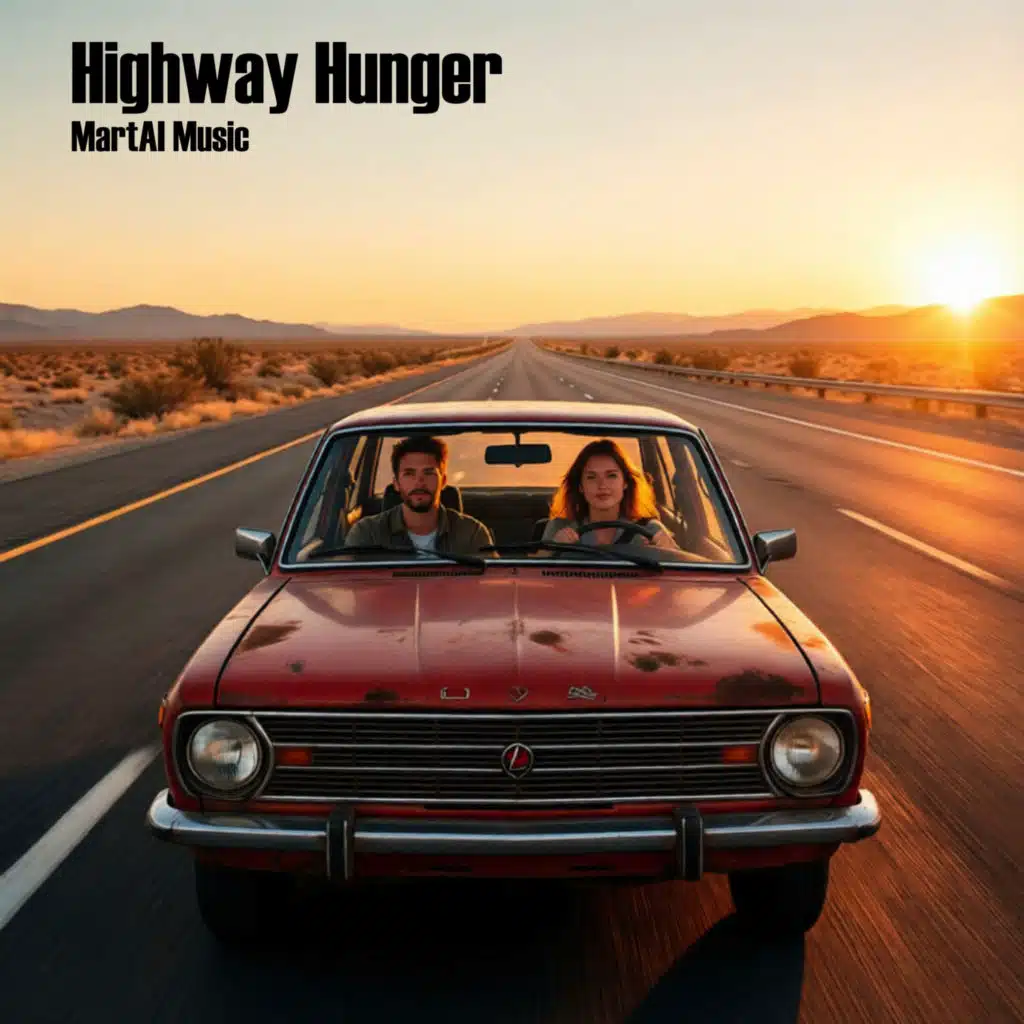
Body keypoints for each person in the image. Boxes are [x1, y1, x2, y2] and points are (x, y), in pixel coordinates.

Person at [345, 434, 495, 556]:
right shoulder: (367, 535)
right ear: (396, 483)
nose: (419, 482)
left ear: (443, 481)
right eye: (409, 473)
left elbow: (491, 582)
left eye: (428, 473)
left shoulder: (472, 534)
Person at [542, 438, 680, 550]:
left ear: (625, 482)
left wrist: (669, 551)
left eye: (611, 476)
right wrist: (553, 548)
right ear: (580, 486)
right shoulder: (559, 527)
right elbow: (535, 571)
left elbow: (683, 570)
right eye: (591, 477)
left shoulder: (650, 530)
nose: (602, 485)